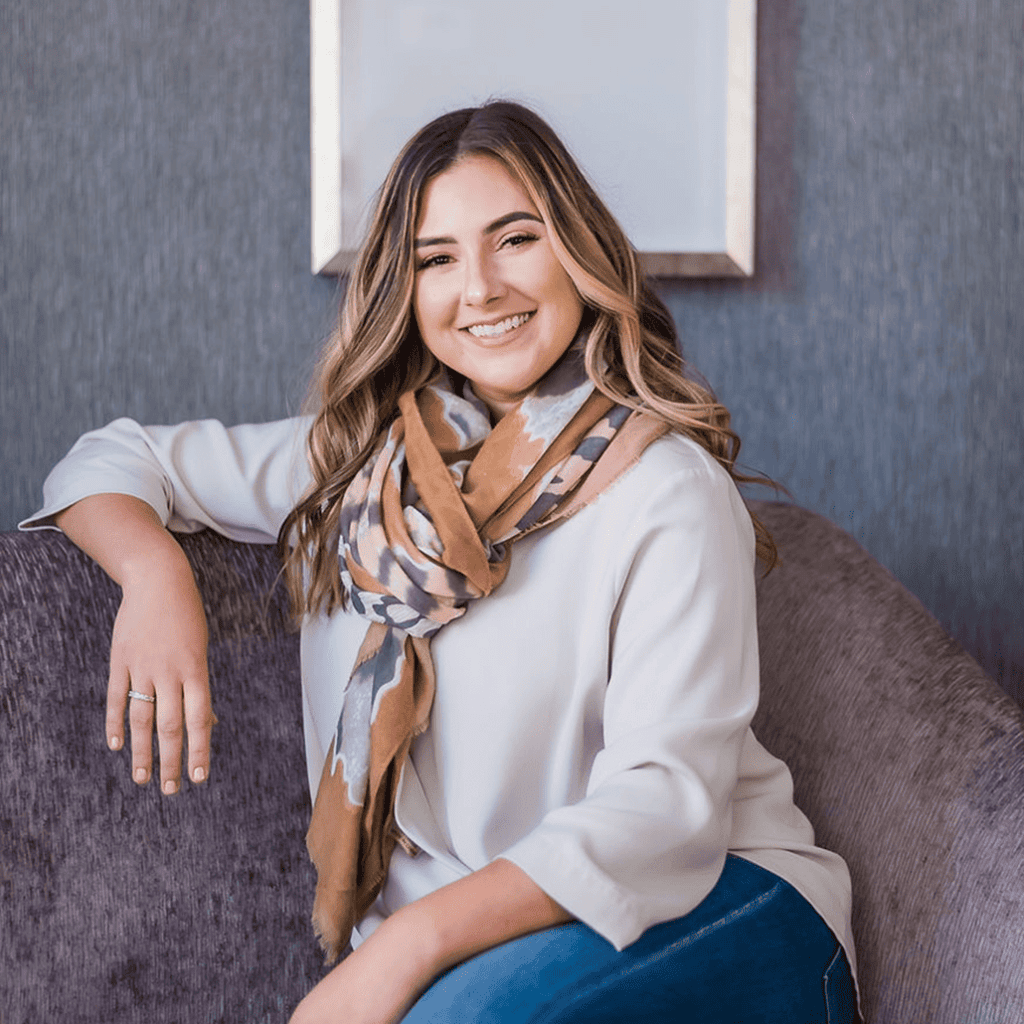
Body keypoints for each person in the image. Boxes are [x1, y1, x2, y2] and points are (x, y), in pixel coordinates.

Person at [24, 101, 859, 1023]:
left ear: (578, 253)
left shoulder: (666, 491)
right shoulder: (358, 466)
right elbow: (110, 459)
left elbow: (664, 810)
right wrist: (154, 578)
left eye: (516, 240)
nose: (481, 288)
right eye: (438, 258)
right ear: (406, 288)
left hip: (719, 902)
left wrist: (404, 952)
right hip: (497, 946)